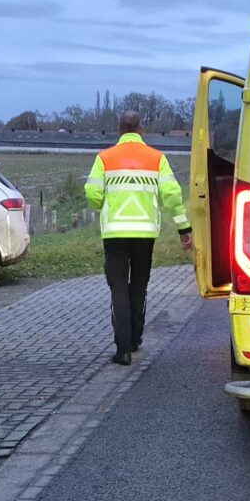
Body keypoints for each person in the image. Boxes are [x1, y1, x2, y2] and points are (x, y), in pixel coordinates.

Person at [84, 112, 192, 365]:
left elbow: (92, 192)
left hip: (115, 234)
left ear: (119, 129)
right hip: (145, 234)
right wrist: (183, 227)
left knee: (118, 289)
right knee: (139, 287)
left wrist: (103, 203)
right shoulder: (157, 158)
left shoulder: (104, 158)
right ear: (140, 130)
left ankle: (123, 350)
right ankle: (136, 338)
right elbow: (172, 195)